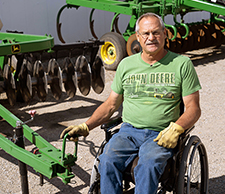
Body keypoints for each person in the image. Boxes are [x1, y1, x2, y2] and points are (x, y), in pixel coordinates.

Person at [60, 12, 201, 194]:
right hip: (129, 131)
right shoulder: (126, 65)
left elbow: (193, 109)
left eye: (156, 32)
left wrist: (177, 128)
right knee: (107, 160)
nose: (151, 38)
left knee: (148, 164)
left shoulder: (182, 64)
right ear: (138, 38)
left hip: (162, 133)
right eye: (146, 33)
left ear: (165, 33)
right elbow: (111, 104)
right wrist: (86, 126)